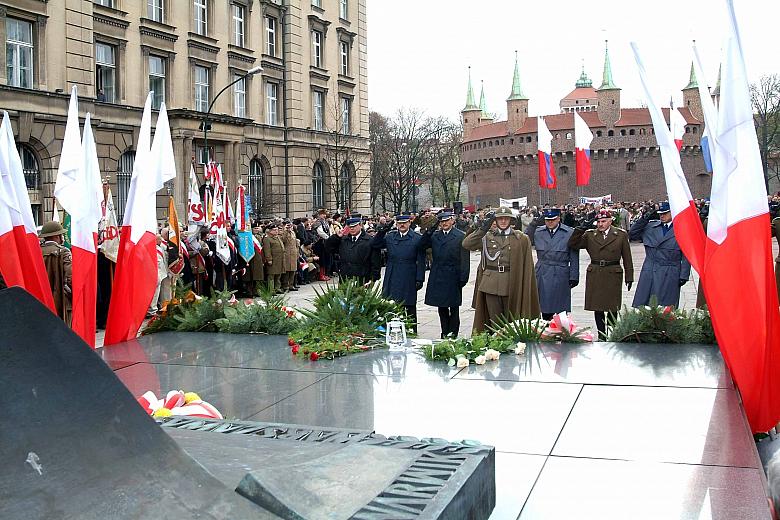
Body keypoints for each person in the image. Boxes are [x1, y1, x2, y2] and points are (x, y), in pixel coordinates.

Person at [462, 206, 540, 332]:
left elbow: (527, 266)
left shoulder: (521, 238)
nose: (503, 221)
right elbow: (467, 244)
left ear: (511, 221)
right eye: (500, 219)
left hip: (512, 282)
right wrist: (483, 228)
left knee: (513, 320)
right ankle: (496, 346)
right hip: (490, 284)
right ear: (495, 221)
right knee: (494, 322)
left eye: (506, 219)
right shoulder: (486, 237)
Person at [568, 208, 634, 338]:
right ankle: (601, 334)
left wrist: (629, 276)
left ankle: (613, 333)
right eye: (598, 222)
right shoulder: (590, 235)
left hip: (613, 272)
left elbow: (627, 257)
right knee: (597, 307)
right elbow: (573, 244)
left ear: (610, 221)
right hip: (596, 273)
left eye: (603, 221)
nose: (600, 224)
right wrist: (580, 229)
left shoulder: (620, 235)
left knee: (612, 307)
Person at [629, 201, 691, 307]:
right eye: (660, 214)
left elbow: (687, 254)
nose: (662, 216)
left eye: (665, 213)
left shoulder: (681, 229)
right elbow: (632, 234)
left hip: (670, 271)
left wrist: (684, 275)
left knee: (666, 307)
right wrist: (644, 219)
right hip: (650, 270)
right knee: (644, 305)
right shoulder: (651, 227)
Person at [420, 211, 471, 338]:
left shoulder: (460, 236)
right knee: (441, 306)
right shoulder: (435, 235)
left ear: (453, 221)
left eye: (447, 221)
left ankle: (453, 333)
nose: (444, 223)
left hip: (453, 275)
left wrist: (463, 277)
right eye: (442, 221)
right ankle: (444, 332)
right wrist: (430, 230)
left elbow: (465, 259)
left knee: (454, 308)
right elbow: (421, 245)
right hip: (438, 274)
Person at [372, 213, 426, 329]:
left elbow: (421, 259)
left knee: (409, 306)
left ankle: (411, 331)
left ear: (409, 223)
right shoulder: (391, 236)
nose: (402, 225)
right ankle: (392, 331)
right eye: (399, 223)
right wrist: (382, 231)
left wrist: (420, 278)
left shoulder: (417, 238)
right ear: (396, 224)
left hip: (409, 273)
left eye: (404, 223)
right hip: (393, 272)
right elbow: (375, 244)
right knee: (391, 304)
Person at [531, 208, 579, 320]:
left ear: (558, 219)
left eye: (552, 220)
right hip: (542, 271)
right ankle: (545, 332)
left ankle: (559, 333)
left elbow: (574, 256)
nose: (550, 222)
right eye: (547, 220)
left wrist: (574, 276)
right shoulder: (538, 232)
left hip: (560, 271)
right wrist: (533, 224)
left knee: (560, 310)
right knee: (544, 307)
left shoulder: (569, 233)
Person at [326, 214, 381, 285]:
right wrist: (336, 237)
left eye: (354, 226)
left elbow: (376, 261)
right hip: (345, 278)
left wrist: (373, 278)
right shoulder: (343, 239)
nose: (352, 229)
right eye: (350, 227)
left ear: (360, 225)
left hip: (363, 277)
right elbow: (328, 248)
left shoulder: (369, 240)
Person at [40, 221, 72, 325]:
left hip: (39, 299)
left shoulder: (36, 251)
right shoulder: (64, 252)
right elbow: (71, 276)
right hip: (60, 301)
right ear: (57, 236)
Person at [262, 223, 285, 294]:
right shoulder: (267, 239)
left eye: (277, 230)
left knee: (278, 275)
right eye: (274, 230)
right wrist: (269, 259)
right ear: (270, 231)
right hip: (273, 259)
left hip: (280, 259)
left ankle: (277, 288)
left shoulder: (277, 237)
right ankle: (271, 290)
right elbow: (267, 250)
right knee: (271, 275)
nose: (276, 231)